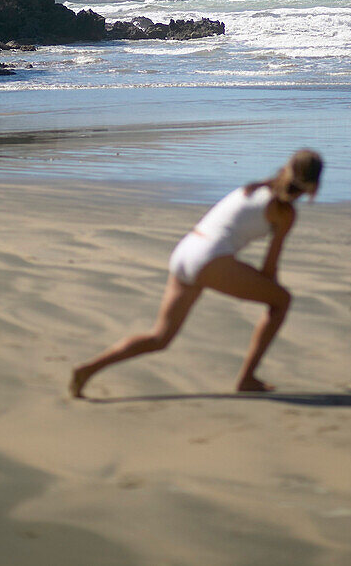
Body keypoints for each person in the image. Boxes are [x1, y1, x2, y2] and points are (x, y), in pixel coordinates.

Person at [69, 149, 323, 398]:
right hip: (210, 258)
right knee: (281, 301)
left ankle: (87, 370)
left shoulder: (252, 188)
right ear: (313, 185)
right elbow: (270, 267)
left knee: (159, 337)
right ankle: (247, 379)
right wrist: (268, 292)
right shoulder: (285, 212)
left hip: (185, 250)